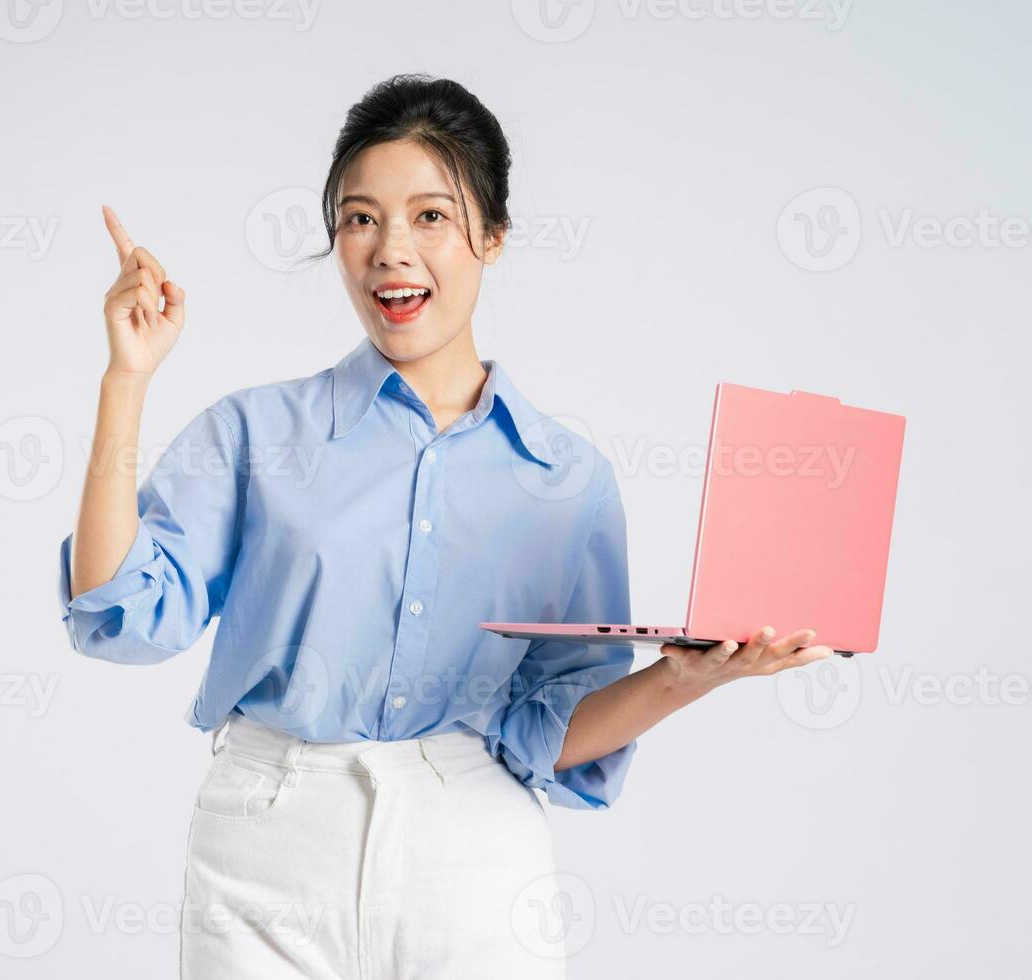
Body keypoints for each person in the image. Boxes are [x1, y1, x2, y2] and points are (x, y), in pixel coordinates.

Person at [58, 73, 833, 979]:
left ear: (493, 237)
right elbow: (113, 613)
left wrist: (689, 677)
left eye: (431, 216)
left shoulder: (566, 479)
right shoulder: (257, 433)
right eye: (359, 218)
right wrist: (127, 380)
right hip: (268, 841)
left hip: (474, 850)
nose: (391, 250)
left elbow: (550, 727)